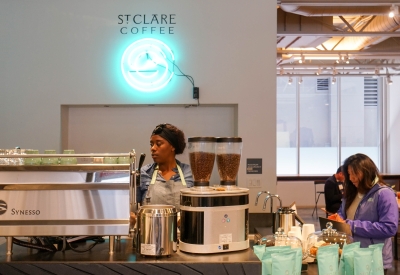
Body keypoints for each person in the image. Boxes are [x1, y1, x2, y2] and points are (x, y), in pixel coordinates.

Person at [336, 153, 398, 272]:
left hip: (373, 259)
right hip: (350, 254)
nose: (351, 178)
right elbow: (342, 213)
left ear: (367, 172)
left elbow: (389, 228)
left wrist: (351, 225)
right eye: (349, 174)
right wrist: (337, 218)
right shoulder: (352, 192)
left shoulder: (384, 194)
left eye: (355, 174)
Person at [130, 123, 193, 225]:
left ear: (172, 146)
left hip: (182, 237)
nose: (153, 148)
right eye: (151, 144)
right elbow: (133, 210)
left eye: (158, 144)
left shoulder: (188, 173)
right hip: (150, 235)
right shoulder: (144, 173)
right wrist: (131, 218)